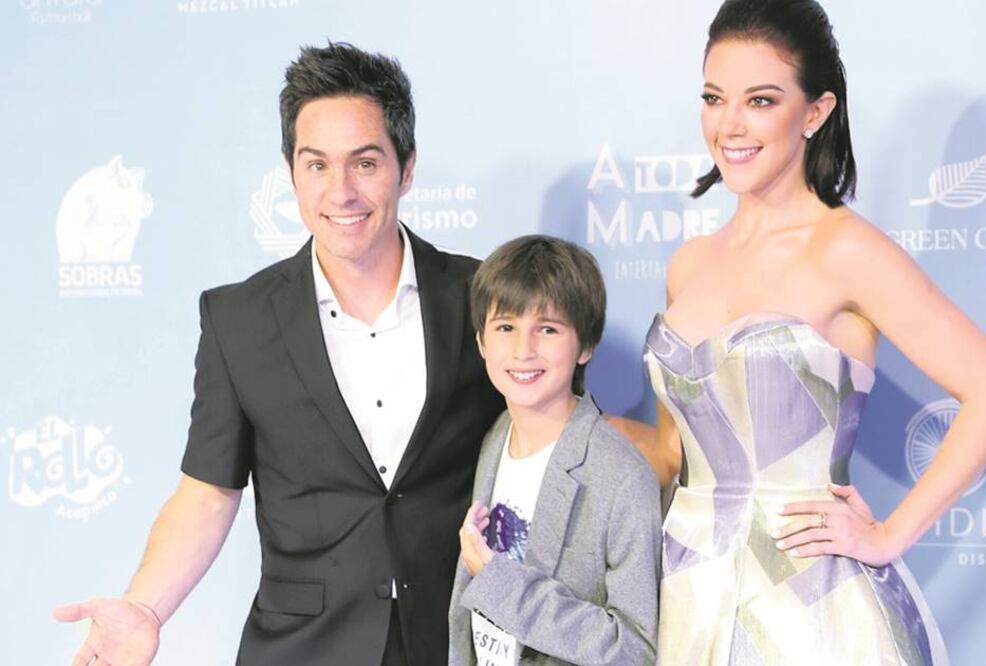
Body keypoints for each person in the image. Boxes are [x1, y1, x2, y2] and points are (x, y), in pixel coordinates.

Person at [53, 42, 503, 666]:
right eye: (316, 164)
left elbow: (551, 449)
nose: (341, 191)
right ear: (291, 171)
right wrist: (145, 607)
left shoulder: (485, 298)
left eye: (364, 163)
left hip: (454, 643)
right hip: (301, 650)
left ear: (406, 168)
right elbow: (207, 492)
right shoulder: (238, 319)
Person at [644, 0, 986, 663]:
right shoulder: (689, 264)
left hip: (807, 609)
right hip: (686, 593)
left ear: (815, 112)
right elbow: (672, 452)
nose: (729, 125)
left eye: (760, 101)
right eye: (713, 98)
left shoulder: (845, 250)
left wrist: (887, 535)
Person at [449, 235, 661, 665]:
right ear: (482, 342)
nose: (523, 350)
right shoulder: (496, 436)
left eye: (547, 329)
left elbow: (634, 650)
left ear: (586, 345)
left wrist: (501, 584)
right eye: (505, 327)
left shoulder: (621, 477)